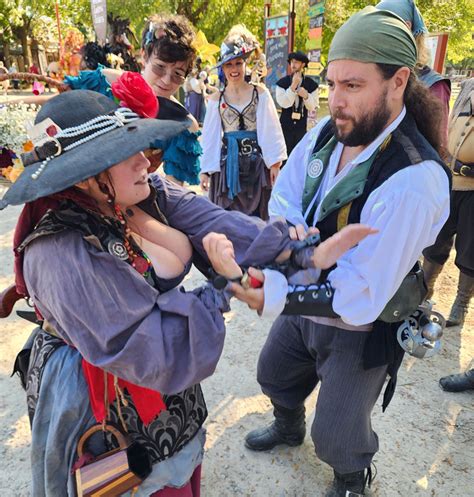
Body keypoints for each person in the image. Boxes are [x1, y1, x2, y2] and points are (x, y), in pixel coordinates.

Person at [1, 89, 374, 496]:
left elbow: (219, 223)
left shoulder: (145, 194)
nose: (145, 158)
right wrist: (222, 289)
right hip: (100, 391)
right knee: (127, 481)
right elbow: (152, 347)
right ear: (87, 176)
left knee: (180, 470)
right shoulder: (58, 251)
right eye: (125, 153)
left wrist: (300, 250)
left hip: (165, 385)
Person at [233, 7, 450, 496]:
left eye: (352, 86)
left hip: (362, 321)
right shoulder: (334, 130)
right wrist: (297, 239)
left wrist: (273, 292)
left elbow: (360, 292)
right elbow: (286, 191)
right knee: (273, 373)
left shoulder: (414, 179)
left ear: (398, 81)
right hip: (309, 289)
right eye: (331, 84)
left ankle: (353, 474)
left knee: (336, 432)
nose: (336, 101)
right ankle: (288, 425)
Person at [200, 25, 287, 220]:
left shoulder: (260, 93)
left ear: (245, 64)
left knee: (259, 220)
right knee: (228, 222)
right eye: (229, 65)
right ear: (223, 68)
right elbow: (210, 138)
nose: (234, 69)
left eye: (238, 63)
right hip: (227, 170)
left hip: (256, 168)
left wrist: (274, 164)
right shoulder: (216, 99)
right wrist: (205, 170)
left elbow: (271, 130)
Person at [376, 0, 451, 145]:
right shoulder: (377, 73)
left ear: (405, 27)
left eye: (382, 26)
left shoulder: (434, 84)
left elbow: (438, 145)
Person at [276, 51, 319, 157]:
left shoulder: (311, 84)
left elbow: (313, 106)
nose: (293, 65)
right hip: (285, 127)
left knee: (299, 157)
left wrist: (306, 96)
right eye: (291, 62)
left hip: (301, 128)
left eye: (296, 62)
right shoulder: (282, 83)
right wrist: (293, 86)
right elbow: (284, 103)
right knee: (284, 157)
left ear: (303, 64)